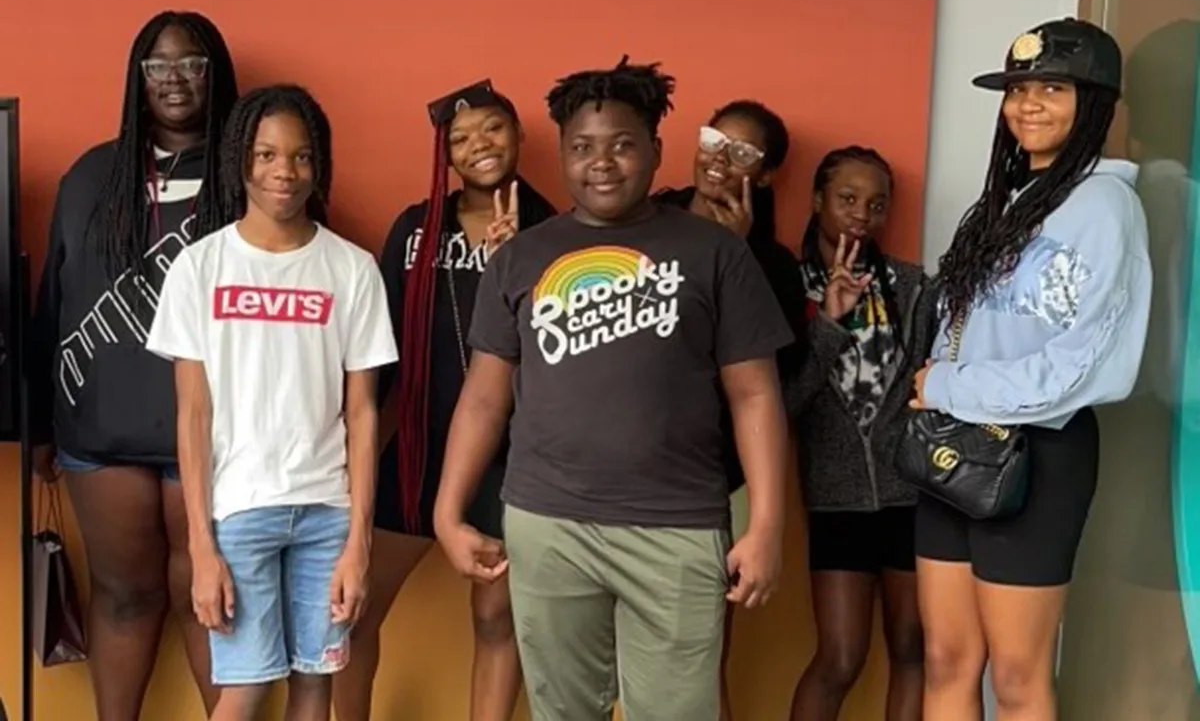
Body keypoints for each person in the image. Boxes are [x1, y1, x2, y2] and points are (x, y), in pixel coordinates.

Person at [433, 56, 794, 721]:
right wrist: (447, 512)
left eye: (623, 145)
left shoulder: (714, 253)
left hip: (678, 527)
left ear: (658, 151)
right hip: (547, 524)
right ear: (563, 156)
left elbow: (755, 396)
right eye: (582, 148)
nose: (602, 163)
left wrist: (767, 524)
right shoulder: (522, 257)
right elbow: (486, 397)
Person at [909, 18, 1151, 720]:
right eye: (1017, 89)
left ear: (1096, 104)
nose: (1028, 105)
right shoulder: (1005, 203)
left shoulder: (1106, 206)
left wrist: (949, 387)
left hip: (1038, 455)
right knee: (947, 660)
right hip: (952, 447)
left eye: (1052, 87)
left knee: (1017, 676)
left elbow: (1091, 368)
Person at [145, 85, 398, 721]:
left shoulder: (352, 269)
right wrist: (201, 548)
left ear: (320, 165)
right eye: (265, 155)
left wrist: (360, 543)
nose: (284, 172)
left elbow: (363, 414)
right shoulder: (200, 268)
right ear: (241, 162)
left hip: (327, 513)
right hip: (240, 512)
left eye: (301, 156)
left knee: (316, 684)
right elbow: (192, 415)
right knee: (249, 688)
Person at [26, 10, 238, 719]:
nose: (175, 80)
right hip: (102, 430)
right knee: (123, 594)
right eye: (158, 65)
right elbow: (53, 301)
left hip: (214, 432)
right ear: (137, 78)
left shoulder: (253, 172)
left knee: (207, 598)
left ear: (216, 74)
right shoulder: (92, 176)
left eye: (192, 63)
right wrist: (37, 424)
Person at [333, 80, 556, 721]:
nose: (478, 145)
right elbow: (378, 351)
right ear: (446, 159)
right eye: (460, 139)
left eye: (492, 129)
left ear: (517, 137)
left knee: (495, 617)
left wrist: (515, 268)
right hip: (418, 448)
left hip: (511, 458)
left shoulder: (558, 232)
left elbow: (568, 353)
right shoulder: (414, 229)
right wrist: (358, 458)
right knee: (353, 609)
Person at [652, 99, 804, 720]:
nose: (720, 158)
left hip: (717, 476)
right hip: (627, 465)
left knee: (697, 653)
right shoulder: (647, 219)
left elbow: (772, 386)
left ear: (764, 176)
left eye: (742, 153)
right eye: (715, 140)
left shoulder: (771, 263)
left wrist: (730, 256)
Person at [786, 146, 933, 721]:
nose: (861, 215)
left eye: (876, 204)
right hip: (835, 500)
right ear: (819, 199)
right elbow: (785, 403)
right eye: (847, 199)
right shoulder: (787, 284)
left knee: (913, 650)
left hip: (912, 497)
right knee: (841, 659)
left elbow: (929, 385)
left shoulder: (914, 287)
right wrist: (827, 322)